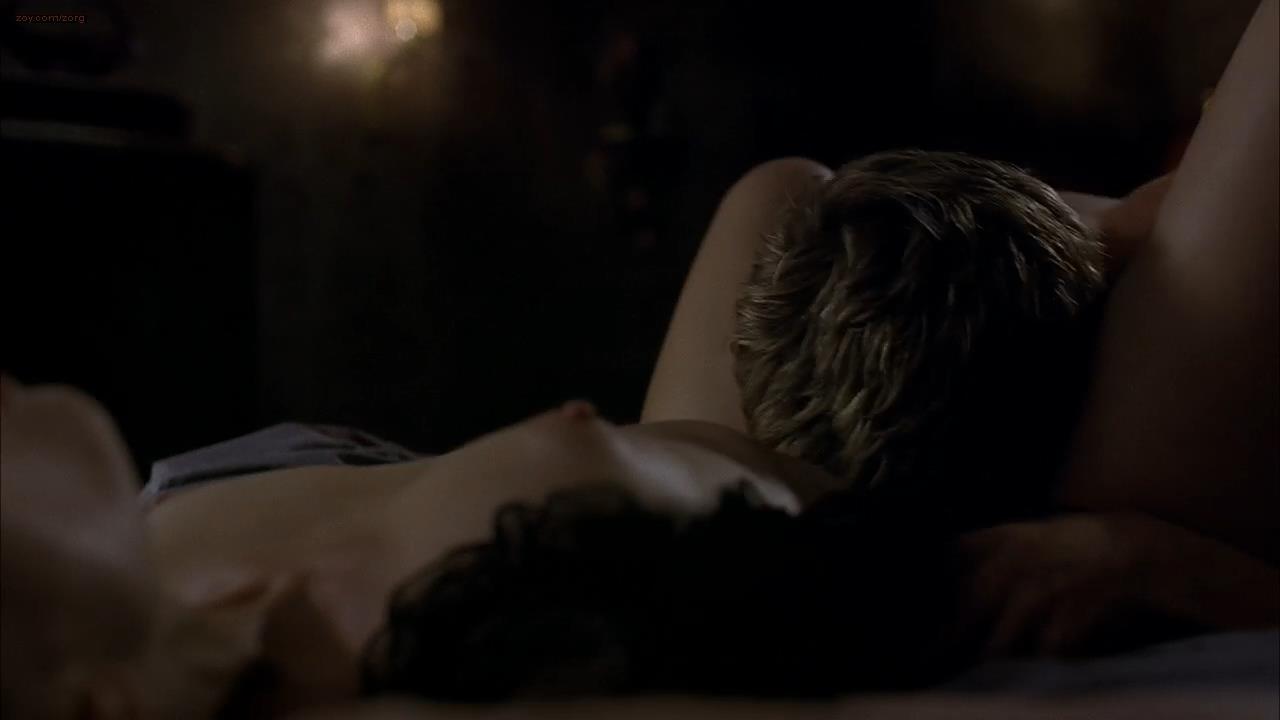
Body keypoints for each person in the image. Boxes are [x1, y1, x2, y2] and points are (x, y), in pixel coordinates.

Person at [3, 1, 1277, 716]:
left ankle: (1109, 227)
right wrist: (1180, 570)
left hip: (730, 432)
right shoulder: (409, 656)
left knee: (788, 189)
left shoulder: (150, 550)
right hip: (859, 493)